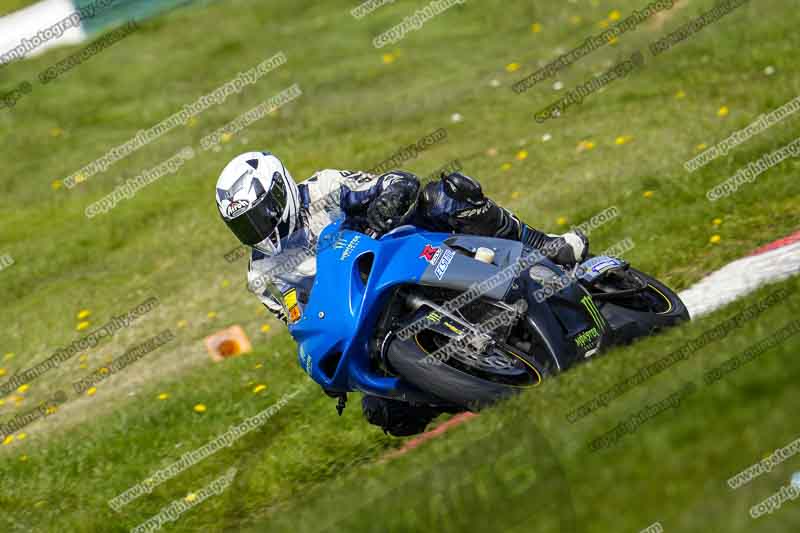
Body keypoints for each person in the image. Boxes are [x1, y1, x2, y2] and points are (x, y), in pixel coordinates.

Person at [215, 151, 588, 435]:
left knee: (447, 195)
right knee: (385, 413)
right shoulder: (262, 275)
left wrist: (387, 204)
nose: (258, 230)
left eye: (260, 215)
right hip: (361, 317)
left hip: (399, 250)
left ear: (281, 192)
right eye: (244, 225)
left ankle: (546, 247)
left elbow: (396, 181)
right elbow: (299, 322)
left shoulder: (325, 188)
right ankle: (462, 382)